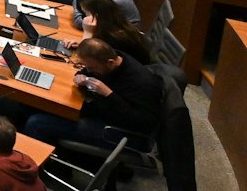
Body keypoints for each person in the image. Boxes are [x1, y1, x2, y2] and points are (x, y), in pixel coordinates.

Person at [21, 37, 163, 152]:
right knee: (35, 106)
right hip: (102, 110)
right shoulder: (111, 59)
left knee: (36, 123)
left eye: (91, 68)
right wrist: (80, 76)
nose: (88, 70)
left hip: (120, 131)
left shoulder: (142, 82)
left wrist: (109, 94)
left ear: (110, 62)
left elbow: (145, 124)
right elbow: (87, 71)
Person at [75, 0, 153, 65]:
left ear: (97, 16)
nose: (84, 18)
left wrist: (87, 32)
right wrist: (81, 43)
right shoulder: (116, 26)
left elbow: (83, 60)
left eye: (86, 14)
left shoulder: (115, 38)